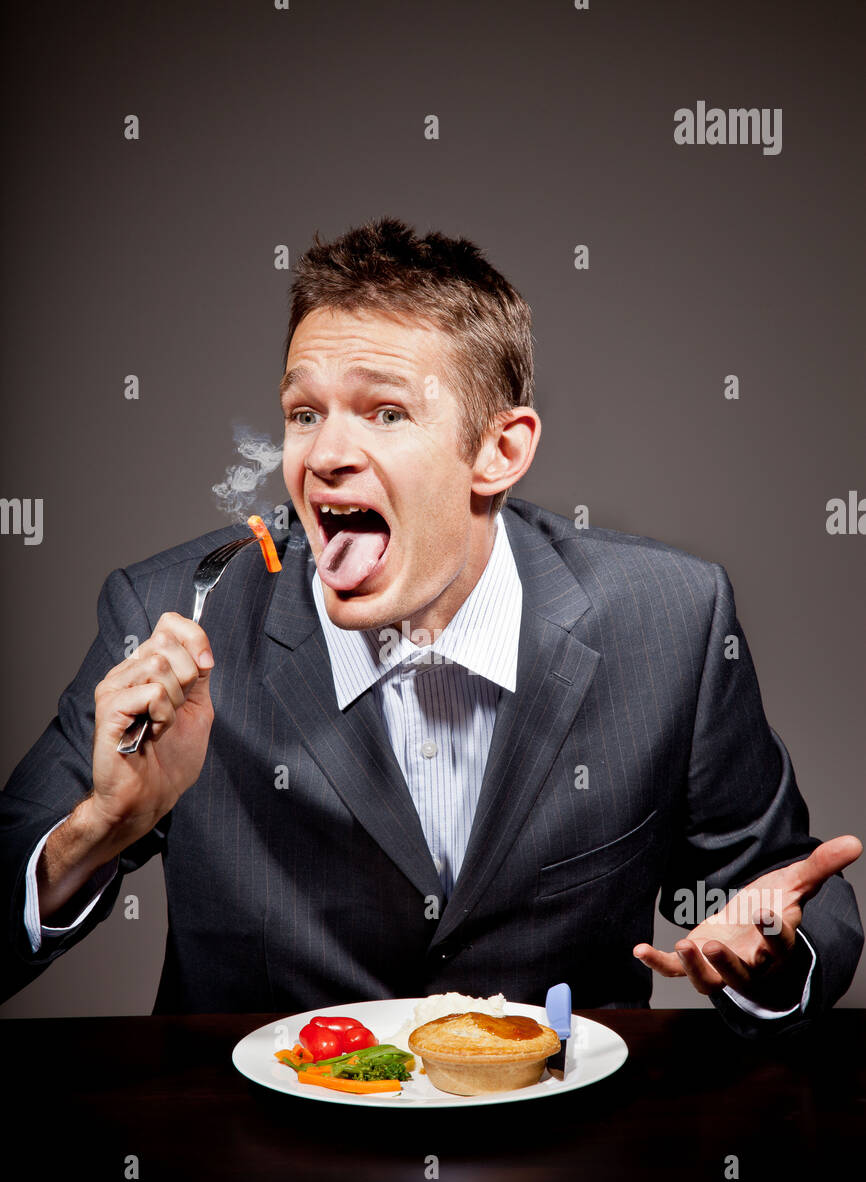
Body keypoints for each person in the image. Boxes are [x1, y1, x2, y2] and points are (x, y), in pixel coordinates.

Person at [1, 217, 861, 1034]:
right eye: (305, 413)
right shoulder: (174, 619)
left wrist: (773, 948)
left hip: (563, 1157)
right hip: (252, 1160)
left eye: (385, 413)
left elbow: (785, 888)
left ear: (500, 452)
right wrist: (96, 833)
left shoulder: (669, 620)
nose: (325, 455)